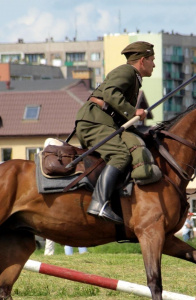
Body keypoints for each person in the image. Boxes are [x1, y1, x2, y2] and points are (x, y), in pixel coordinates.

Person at [75, 41, 155, 224]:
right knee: (120, 155)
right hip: (94, 123)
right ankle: (99, 203)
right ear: (142, 60)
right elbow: (111, 93)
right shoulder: (127, 72)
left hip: (100, 123)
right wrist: (133, 111)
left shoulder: (134, 78)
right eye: (152, 59)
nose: (154, 64)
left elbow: (117, 110)